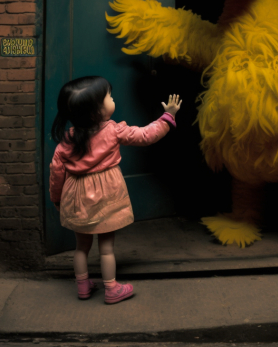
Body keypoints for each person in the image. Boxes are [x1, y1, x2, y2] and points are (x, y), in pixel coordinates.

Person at [49, 76, 182, 304]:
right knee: (106, 247)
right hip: (106, 196)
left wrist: (57, 199)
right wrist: (167, 118)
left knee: (81, 246)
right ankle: (111, 289)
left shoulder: (68, 139)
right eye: (108, 97)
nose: (112, 99)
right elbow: (145, 135)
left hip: (77, 198)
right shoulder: (113, 130)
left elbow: (56, 171)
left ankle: (83, 286)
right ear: (94, 112)